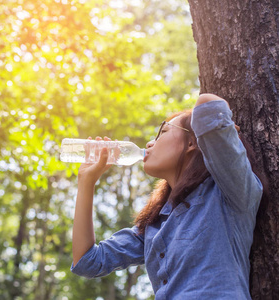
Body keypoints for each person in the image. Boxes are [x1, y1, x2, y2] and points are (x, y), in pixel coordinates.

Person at [71, 94, 264, 299]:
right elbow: (88, 261)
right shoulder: (156, 225)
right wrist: (86, 182)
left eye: (162, 132)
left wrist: (216, 129)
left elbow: (208, 106)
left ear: (192, 142)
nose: (149, 143)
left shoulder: (228, 191)